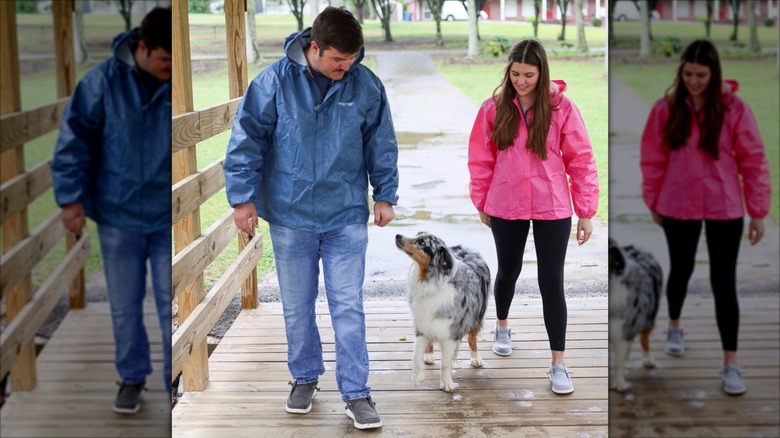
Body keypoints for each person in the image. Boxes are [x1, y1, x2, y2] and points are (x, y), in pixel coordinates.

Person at [223, 7, 398, 430]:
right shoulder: (273, 82)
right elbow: (247, 139)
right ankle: (304, 376)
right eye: (338, 60)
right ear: (314, 48)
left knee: (348, 307)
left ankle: (356, 391)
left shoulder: (365, 83)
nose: (345, 67)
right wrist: (242, 198)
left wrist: (385, 194)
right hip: (290, 214)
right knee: (297, 307)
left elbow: (382, 141)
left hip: (345, 215)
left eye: (352, 60)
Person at [50, 7, 172, 414]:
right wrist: (69, 199)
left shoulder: (177, 83)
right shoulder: (101, 82)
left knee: (169, 301)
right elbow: (73, 141)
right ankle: (132, 377)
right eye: (163, 60)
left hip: (167, 214)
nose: (170, 69)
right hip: (119, 215)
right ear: (142, 48)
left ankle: (175, 379)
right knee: (124, 303)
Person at [468, 39, 599, 395]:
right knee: (508, 270)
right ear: (507, 72)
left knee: (551, 281)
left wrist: (585, 211)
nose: (521, 81)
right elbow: (481, 159)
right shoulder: (494, 108)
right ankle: (502, 325)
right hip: (506, 203)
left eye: (528, 75)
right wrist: (482, 201)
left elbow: (581, 159)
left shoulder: (562, 108)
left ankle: (558, 363)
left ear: (542, 73)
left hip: (553, 205)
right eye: (515, 74)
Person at [640, 39, 771, 396]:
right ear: (680, 73)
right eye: (688, 74)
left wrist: (758, 212)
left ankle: (731, 363)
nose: (694, 81)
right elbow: (653, 159)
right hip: (677, 205)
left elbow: (754, 160)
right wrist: (654, 200)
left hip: (725, 207)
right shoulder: (666, 109)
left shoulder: (734, 109)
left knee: (723, 282)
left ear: (714, 75)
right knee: (680, 269)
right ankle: (674, 325)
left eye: (701, 75)